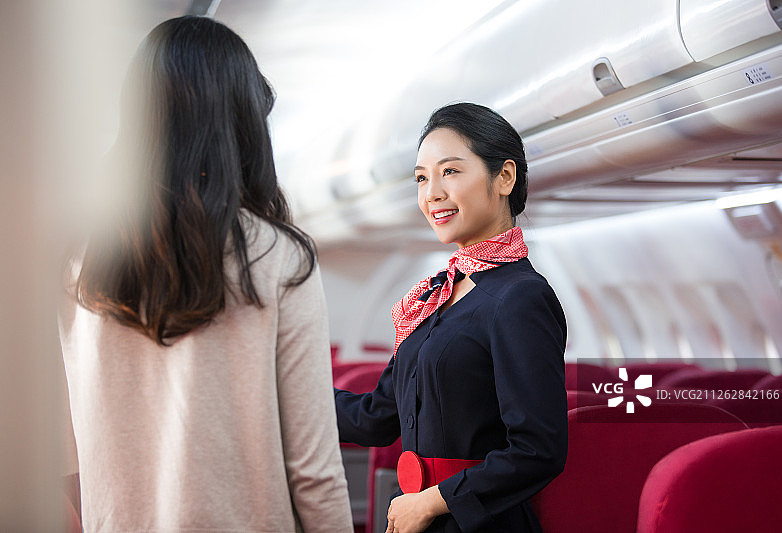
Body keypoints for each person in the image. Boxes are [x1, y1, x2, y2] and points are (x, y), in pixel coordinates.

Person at [58, 16, 353, 533]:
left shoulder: (80, 256)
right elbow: (314, 471)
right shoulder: (279, 257)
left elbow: (64, 458)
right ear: (243, 126)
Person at [335, 103, 568, 533]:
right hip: (413, 516)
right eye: (422, 178)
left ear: (505, 178)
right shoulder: (435, 298)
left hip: (477, 523)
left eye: (451, 172)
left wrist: (430, 502)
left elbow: (538, 450)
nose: (432, 193)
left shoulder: (521, 297)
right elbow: (375, 417)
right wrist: (286, 394)